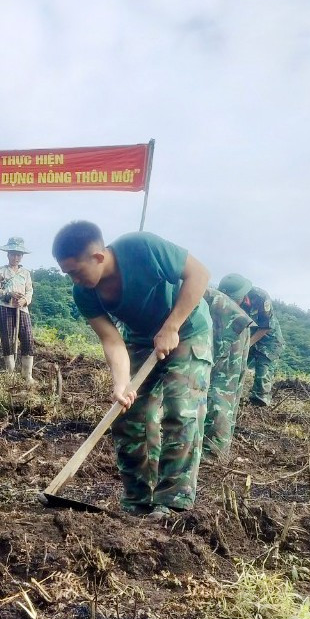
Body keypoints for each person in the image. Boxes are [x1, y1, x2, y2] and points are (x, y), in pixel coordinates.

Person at [52, 221, 212, 519]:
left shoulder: (142, 248)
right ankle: (138, 501)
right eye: (67, 273)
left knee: (181, 407)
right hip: (139, 338)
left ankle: (174, 501)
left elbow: (199, 274)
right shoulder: (84, 293)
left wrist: (172, 326)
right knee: (128, 414)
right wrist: (121, 384)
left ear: (98, 257)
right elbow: (112, 341)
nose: (73, 279)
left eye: (75, 271)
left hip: (187, 328)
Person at [202, 286, 253, 462]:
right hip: (239, 326)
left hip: (231, 329)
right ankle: (219, 450)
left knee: (219, 390)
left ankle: (212, 454)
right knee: (229, 391)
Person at [218, 274, 284, 407]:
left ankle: (259, 404)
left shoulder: (260, 297)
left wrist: (246, 345)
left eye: (234, 299)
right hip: (244, 334)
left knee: (263, 371)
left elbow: (265, 327)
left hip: (267, 338)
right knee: (234, 366)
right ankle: (230, 396)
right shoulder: (221, 299)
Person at [0, 237, 36, 383]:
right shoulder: (1, 271)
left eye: (18, 255)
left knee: (28, 338)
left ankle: (27, 375)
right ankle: (10, 374)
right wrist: (8, 294)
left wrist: (25, 300)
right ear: (8, 254)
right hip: (5, 308)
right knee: (8, 339)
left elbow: (29, 291)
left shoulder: (26, 273)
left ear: (22, 256)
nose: (15, 257)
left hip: (22, 309)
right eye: (13, 254)